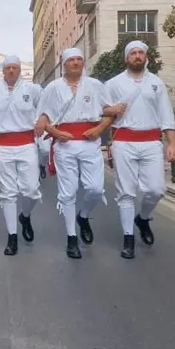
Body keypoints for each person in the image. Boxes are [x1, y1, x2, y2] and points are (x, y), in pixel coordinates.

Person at [103, 41, 175, 259]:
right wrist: (111, 109)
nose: (137, 56)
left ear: (146, 57)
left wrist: (172, 144)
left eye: (140, 53)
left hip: (151, 141)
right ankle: (128, 238)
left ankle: (143, 218)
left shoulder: (156, 83)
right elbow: (99, 109)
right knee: (126, 191)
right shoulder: (113, 84)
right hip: (124, 141)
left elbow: (166, 116)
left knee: (157, 189)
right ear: (126, 58)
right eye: (133, 53)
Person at [35, 48, 113, 259]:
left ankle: (84, 215)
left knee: (95, 188)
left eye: (79, 59)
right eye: (72, 60)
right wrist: (56, 132)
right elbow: (42, 119)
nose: (76, 63)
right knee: (67, 193)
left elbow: (109, 113)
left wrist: (99, 129)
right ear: (64, 64)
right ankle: (71, 238)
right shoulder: (53, 88)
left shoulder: (96, 85)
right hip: (65, 145)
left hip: (90, 142)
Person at [0, 55, 43, 256]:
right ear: (3, 71)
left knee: (31, 190)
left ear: (19, 70)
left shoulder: (32, 90)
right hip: (2, 145)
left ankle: (25, 216)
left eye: (14, 68)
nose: (11, 71)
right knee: (8, 192)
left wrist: (44, 122)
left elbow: (46, 109)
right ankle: (12, 237)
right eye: (7, 68)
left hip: (26, 144)